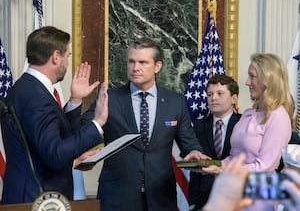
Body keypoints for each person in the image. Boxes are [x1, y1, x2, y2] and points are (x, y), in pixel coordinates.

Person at [76, 37, 210, 211]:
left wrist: (194, 152)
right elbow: (81, 132)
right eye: (131, 61)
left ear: (157, 66)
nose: (135, 68)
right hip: (117, 196)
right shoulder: (110, 98)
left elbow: (189, 142)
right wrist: (76, 100)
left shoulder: (175, 102)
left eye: (142, 62)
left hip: (161, 197)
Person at [1, 26, 108, 204]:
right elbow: (55, 155)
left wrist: (74, 100)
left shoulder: (27, 88)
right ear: (56, 56)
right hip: (35, 200)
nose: (67, 62)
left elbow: (49, 140)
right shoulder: (35, 96)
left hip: (32, 197)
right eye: (68, 56)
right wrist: (97, 124)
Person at [200, 53, 294, 211]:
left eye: (252, 77)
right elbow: (235, 156)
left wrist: (224, 170)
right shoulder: (249, 113)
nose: (247, 82)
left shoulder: (279, 116)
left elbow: (265, 166)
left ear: (268, 80)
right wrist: (211, 165)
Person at [188, 74, 241, 210]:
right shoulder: (199, 125)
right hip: (204, 198)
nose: (214, 98)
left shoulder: (244, 124)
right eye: (210, 94)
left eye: (220, 93)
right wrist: (192, 201)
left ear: (233, 98)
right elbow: (195, 165)